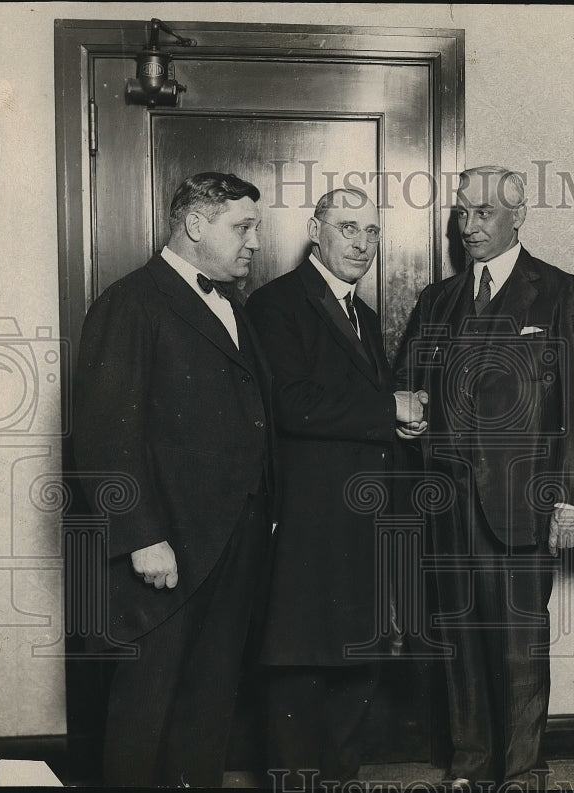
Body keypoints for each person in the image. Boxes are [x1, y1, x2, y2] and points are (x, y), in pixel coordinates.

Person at [395, 166, 574, 789]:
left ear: (518, 217)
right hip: (448, 506)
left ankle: (523, 769)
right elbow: (406, 388)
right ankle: (471, 766)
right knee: (460, 640)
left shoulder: (559, 293)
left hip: (522, 502)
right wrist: (409, 421)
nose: (468, 226)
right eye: (462, 213)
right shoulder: (439, 299)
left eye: (482, 213)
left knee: (518, 647)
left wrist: (571, 500)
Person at [73, 172, 272, 787]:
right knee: (145, 707)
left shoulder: (231, 304)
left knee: (209, 703)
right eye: (242, 227)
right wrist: (139, 537)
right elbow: (104, 435)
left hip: (230, 543)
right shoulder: (129, 302)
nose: (254, 243)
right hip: (168, 548)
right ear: (195, 225)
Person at [245, 188, 427, 786]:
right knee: (300, 675)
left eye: (372, 232)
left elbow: (362, 413)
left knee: (357, 670)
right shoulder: (276, 303)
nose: (361, 243)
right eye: (348, 228)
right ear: (314, 229)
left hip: (363, 527)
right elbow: (291, 404)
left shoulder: (365, 315)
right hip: (309, 525)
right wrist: (387, 406)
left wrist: (404, 419)